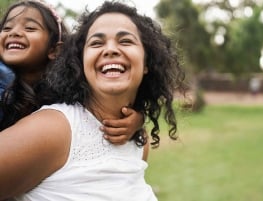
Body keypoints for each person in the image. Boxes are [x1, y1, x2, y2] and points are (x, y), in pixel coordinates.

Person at [0, 1, 185, 200]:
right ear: (80, 62)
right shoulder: (52, 129)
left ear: (147, 62)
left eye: (125, 41)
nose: (111, 50)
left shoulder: (137, 140)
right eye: (96, 43)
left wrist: (138, 120)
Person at [0, 0, 143, 144]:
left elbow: (100, 106)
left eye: (30, 28)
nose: (14, 32)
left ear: (55, 49)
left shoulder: (69, 87)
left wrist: (136, 120)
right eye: (6, 28)